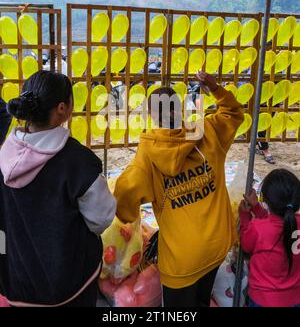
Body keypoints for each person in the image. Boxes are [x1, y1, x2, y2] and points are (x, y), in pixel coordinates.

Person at [114, 72, 244, 308]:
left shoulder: (148, 155)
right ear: (181, 109)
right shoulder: (208, 131)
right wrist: (216, 89)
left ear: (152, 117)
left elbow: (124, 197)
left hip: (181, 260)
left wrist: (129, 215)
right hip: (216, 244)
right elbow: (233, 113)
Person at [0, 71, 116, 307]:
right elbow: (101, 218)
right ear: (63, 108)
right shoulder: (79, 162)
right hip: (69, 284)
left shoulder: (3, 155)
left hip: (16, 281)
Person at [239, 169, 300, 308]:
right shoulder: (293, 222)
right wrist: (257, 208)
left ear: (265, 199)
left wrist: (244, 218)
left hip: (263, 299)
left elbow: (246, 246)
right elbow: (278, 223)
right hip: (296, 298)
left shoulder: (257, 228)